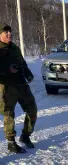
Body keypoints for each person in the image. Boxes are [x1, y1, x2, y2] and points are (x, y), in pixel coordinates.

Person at [0, 24, 37, 153]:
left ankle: (26, 136)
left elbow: (22, 63)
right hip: (7, 86)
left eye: (10, 31)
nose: (9, 34)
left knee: (32, 109)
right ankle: (11, 142)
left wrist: (28, 73)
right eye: (6, 32)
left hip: (21, 84)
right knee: (9, 113)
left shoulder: (15, 48)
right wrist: (6, 69)